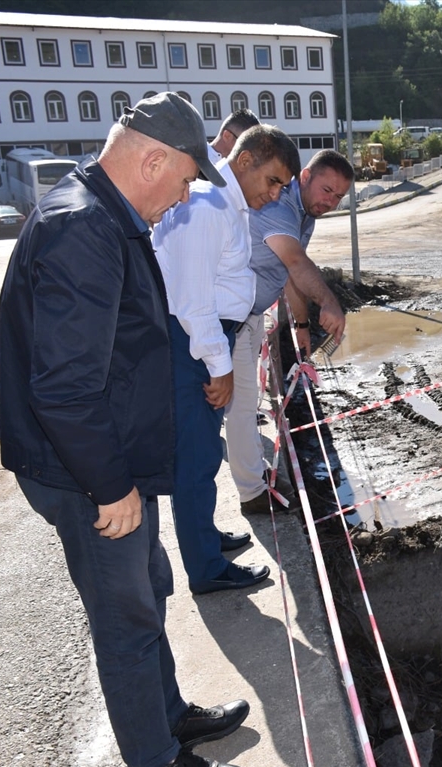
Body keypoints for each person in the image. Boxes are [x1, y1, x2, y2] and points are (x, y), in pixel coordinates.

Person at [0, 92, 249, 767]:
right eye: (190, 179)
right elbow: (65, 388)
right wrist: (111, 488)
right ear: (154, 158)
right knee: (125, 614)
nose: (186, 195)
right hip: (83, 472)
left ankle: (167, 716)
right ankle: (156, 766)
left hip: (107, 458)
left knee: (151, 585)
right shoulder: (85, 229)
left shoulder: (102, 212)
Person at [153, 124, 300, 594]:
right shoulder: (210, 205)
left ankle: (207, 539)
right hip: (195, 344)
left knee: (204, 452)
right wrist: (219, 366)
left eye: (282, 187)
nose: (276, 195)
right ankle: (206, 567)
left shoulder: (226, 201)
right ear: (246, 161)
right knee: (195, 458)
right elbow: (192, 299)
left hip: (205, 339)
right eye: (273, 181)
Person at [228, 150, 352, 515]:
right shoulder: (280, 206)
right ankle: (252, 493)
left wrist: (300, 325)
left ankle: (253, 473)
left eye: (338, 197)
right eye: (327, 190)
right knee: (241, 404)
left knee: (246, 402)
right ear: (306, 175)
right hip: (230, 315)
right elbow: (297, 262)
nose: (329, 201)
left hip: (249, 315)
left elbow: (291, 276)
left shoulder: (304, 215)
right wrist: (329, 303)